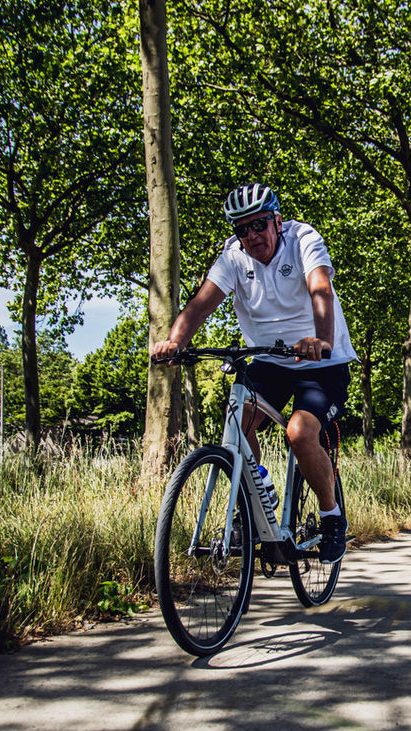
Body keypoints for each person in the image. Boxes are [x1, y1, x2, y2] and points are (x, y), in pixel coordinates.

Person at [151, 183, 356, 563]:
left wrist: (322, 340)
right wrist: (174, 342)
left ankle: (331, 517)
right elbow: (199, 305)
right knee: (239, 418)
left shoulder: (303, 239)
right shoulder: (233, 257)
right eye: (242, 229)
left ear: (277, 220)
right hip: (270, 361)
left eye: (259, 224)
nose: (251, 235)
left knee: (299, 432)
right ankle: (257, 493)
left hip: (321, 362)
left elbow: (321, 289)